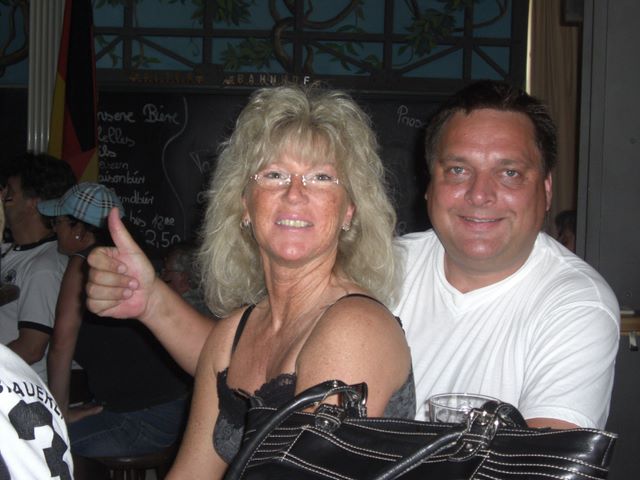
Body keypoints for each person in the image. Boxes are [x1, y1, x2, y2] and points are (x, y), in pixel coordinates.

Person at [86, 85, 415, 477]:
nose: (295, 194)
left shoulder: (355, 328)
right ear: (244, 204)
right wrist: (150, 298)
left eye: (321, 177)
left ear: (349, 211)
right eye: (274, 174)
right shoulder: (230, 336)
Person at [394, 80, 619, 428]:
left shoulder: (577, 304)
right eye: (458, 170)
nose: (479, 194)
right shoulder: (383, 268)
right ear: (429, 185)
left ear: (546, 190)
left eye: (510, 173)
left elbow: (543, 456)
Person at [38, 182, 192, 460]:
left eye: (58, 222)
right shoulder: (136, 259)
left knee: (37, 445)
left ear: (80, 230)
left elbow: (61, 345)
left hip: (141, 419)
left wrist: (59, 412)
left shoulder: (85, 263)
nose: (54, 229)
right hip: (175, 410)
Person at [0, 153, 76, 381]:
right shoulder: (10, 251)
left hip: (15, 388)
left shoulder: (44, 266)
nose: (3, 197)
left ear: (35, 202)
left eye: (10, 192)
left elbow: (31, 348)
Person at [161, 242, 213, 317]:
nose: (163, 276)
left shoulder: (177, 311)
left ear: (183, 279)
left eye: (167, 271)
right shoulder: (210, 305)